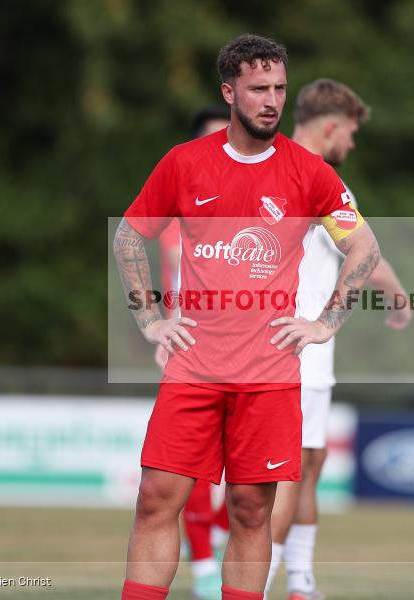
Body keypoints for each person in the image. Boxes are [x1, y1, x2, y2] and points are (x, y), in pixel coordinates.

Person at [114, 34, 381, 600]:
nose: (272, 100)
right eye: (259, 88)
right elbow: (129, 238)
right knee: (156, 497)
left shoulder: (309, 173)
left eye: (280, 88)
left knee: (251, 511)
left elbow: (364, 249)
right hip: (193, 368)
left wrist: (325, 322)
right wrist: (151, 320)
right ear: (229, 91)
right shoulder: (185, 164)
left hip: (269, 376)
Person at [263, 79, 412, 600]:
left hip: (298, 357)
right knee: (286, 477)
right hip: (295, 356)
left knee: (308, 467)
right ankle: (252, 585)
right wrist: (397, 293)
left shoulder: (272, 167)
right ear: (330, 127)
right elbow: (364, 253)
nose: (352, 143)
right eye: (350, 132)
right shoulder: (314, 176)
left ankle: (300, 581)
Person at [154, 105, 232, 600]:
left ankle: (215, 536)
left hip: (253, 353)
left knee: (243, 467)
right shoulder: (180, 213)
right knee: (192, 463)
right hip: (196, 350)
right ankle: (203, 564)